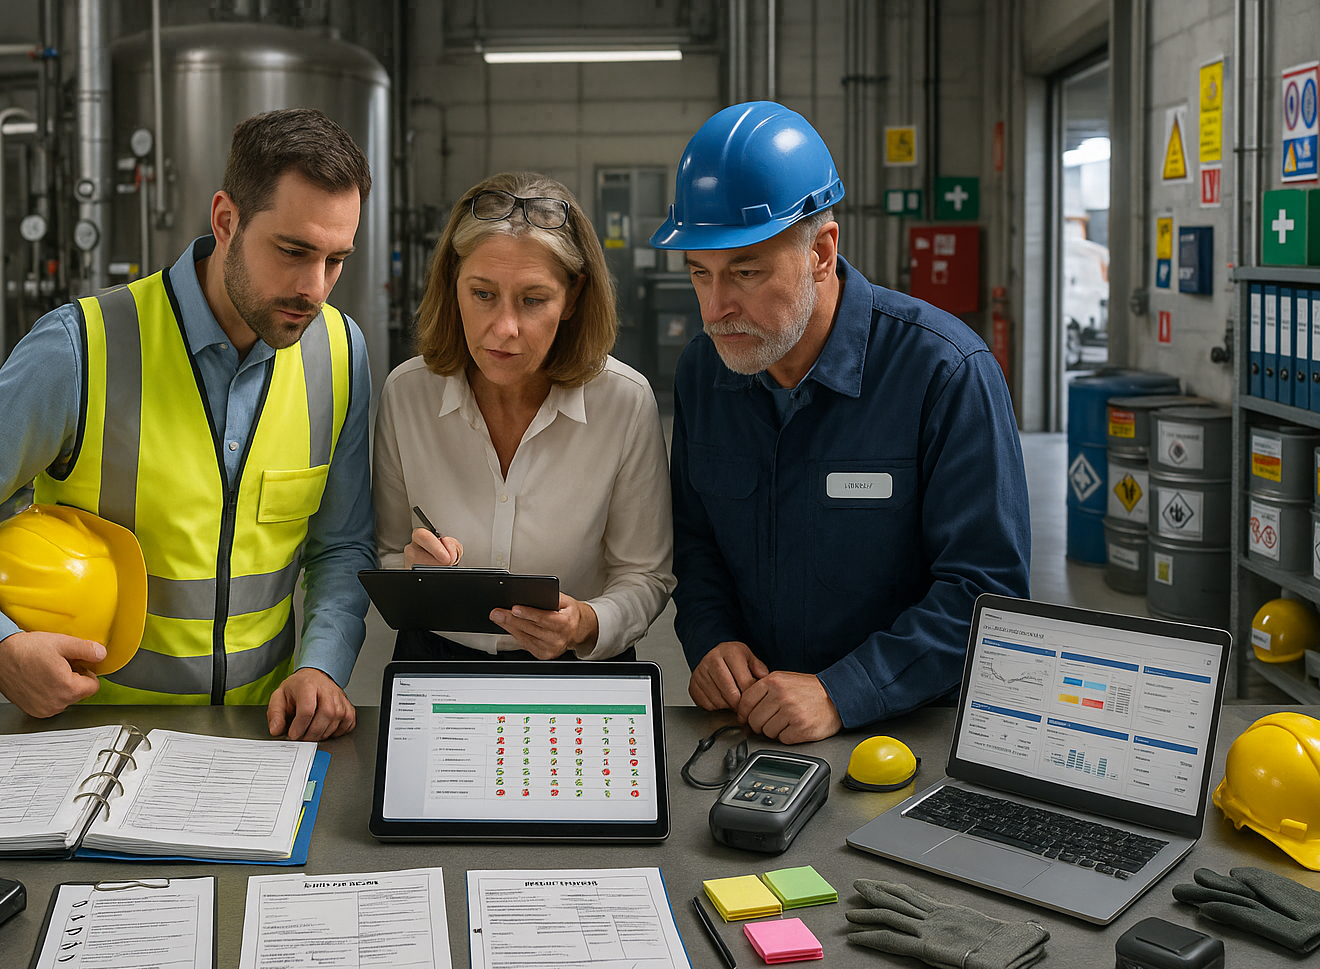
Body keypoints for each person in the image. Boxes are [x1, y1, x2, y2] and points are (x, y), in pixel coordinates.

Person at [0, 108, 378, 741]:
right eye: (293, 251)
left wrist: (323, 668)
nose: (316, 287)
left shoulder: (340, 352)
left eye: (337, 259)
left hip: (263, 742)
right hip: (91, 741)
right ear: (225, 220)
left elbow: (341, 545)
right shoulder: (82, 348)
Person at [652, 101, 1030, 744]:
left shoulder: (943, 374)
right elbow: (695, 539)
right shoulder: (704, 373)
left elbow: (985, 593)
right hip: (753, 727)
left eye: (745, 271)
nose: (716, 308)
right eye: (699, 274)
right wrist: (714, 637)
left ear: (822, 251)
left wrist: (842, 691)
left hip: (911, 729)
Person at [373, 171, 673, 661]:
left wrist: (585, 623)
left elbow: (646, 574)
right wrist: (413, 574)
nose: (505, 328)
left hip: (575, 668)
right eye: (483, 294)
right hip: (437, 659)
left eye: (533, 300)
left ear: (573, 296)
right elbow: (387, 549)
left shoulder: (624, 402)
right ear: (454, 284)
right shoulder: (408, 395)